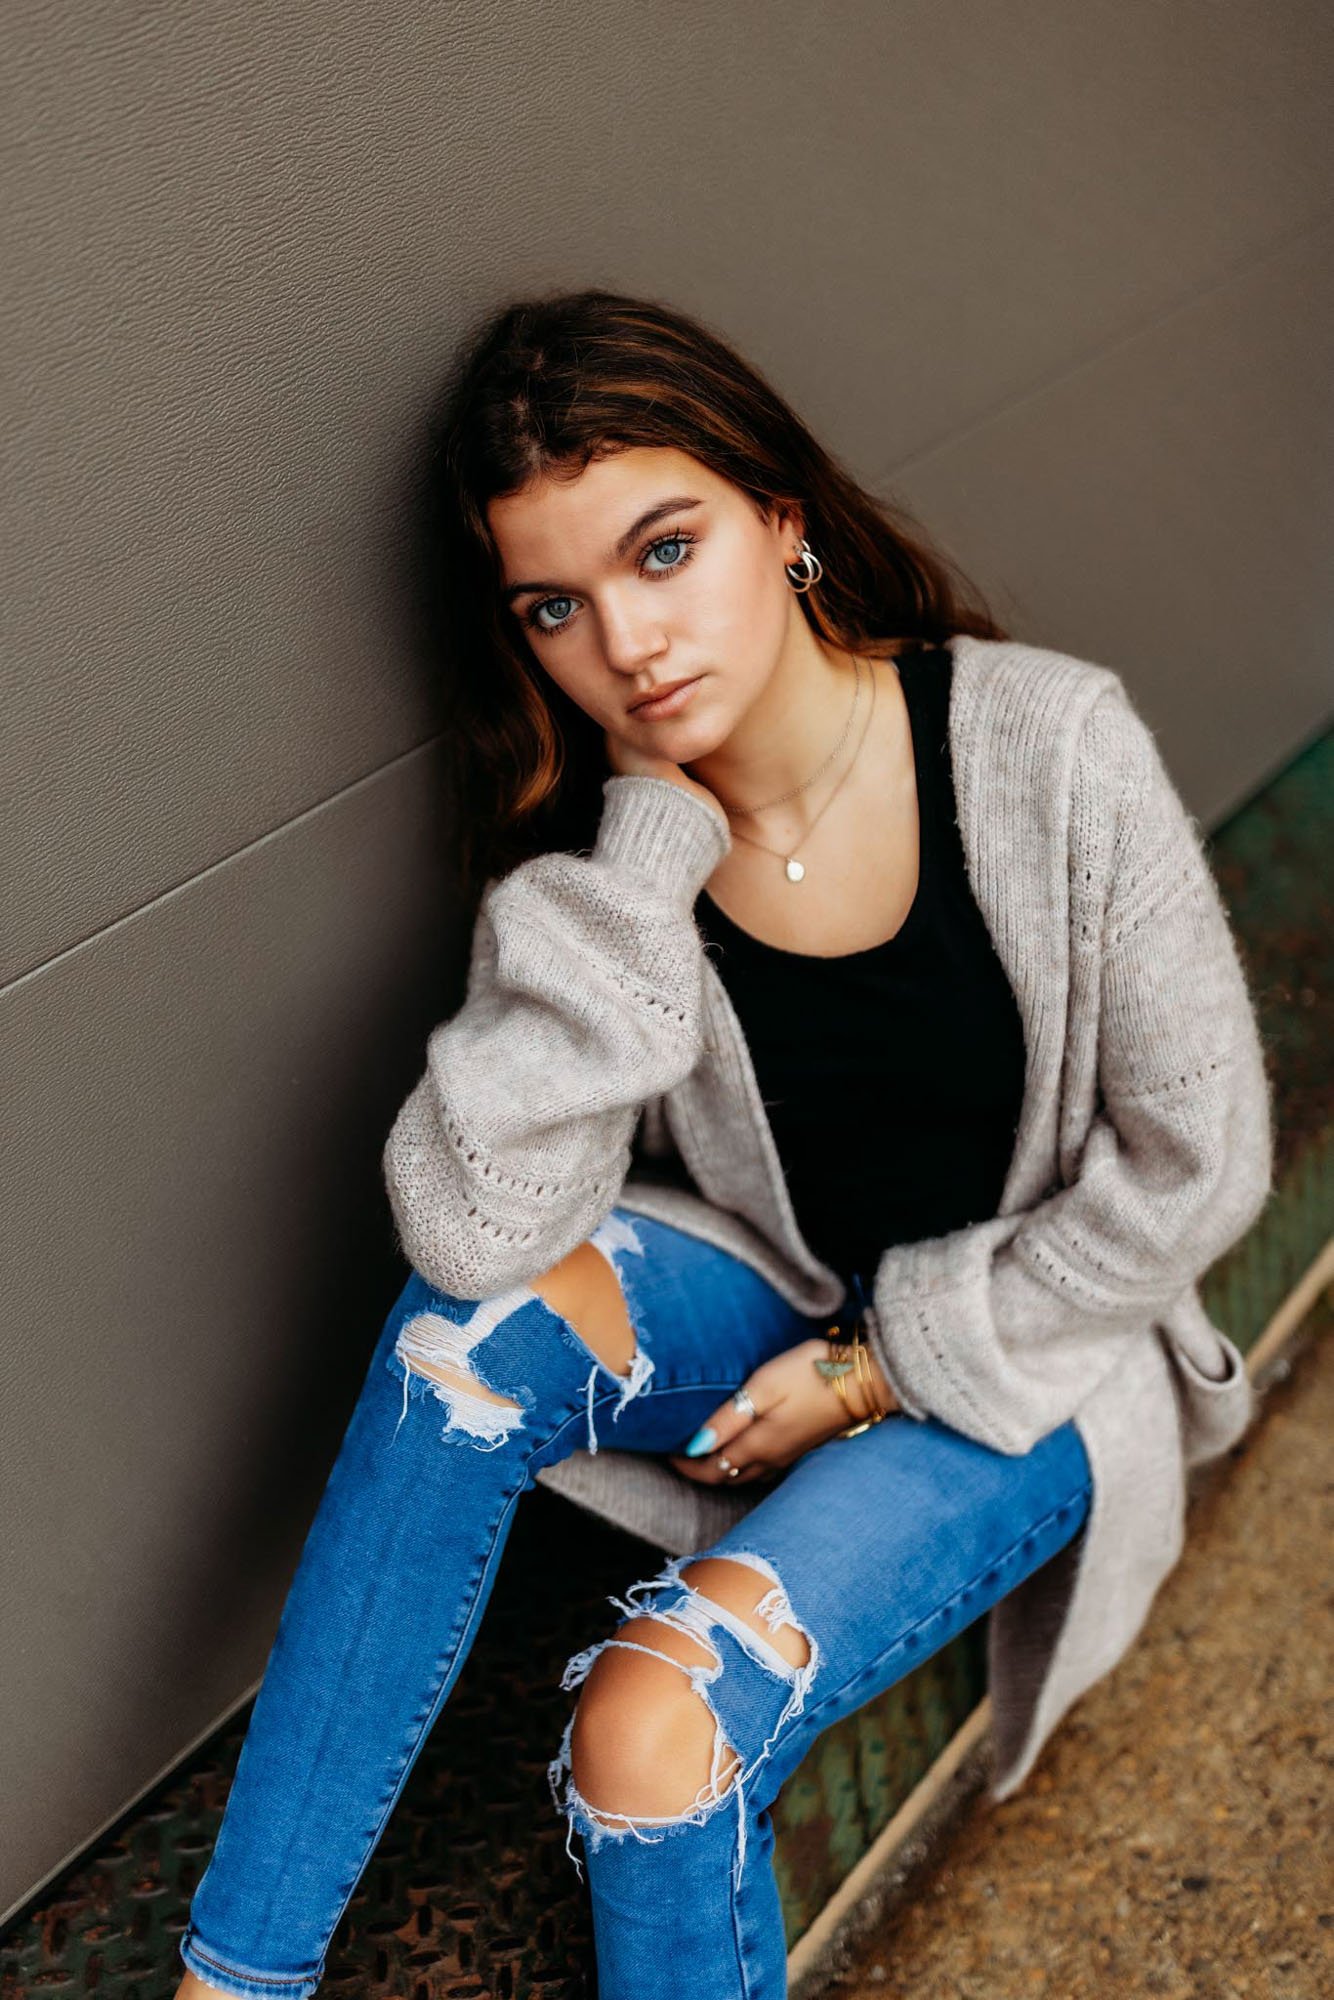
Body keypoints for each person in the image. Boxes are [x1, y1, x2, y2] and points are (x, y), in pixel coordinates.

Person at [175, 289, 1272, 2000]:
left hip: (1040, 1355)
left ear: (782, 515)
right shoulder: (604, 864)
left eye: (664, 550)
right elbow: (472, 1232)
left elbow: (1200, 1167)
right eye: (555, 607)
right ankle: (233, 1985)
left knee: (651, 1735)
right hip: (773, 1284)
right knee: (455, 1350)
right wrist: (646, 846)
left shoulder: (1047, 746)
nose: (626, 643)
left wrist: (872, 1370)